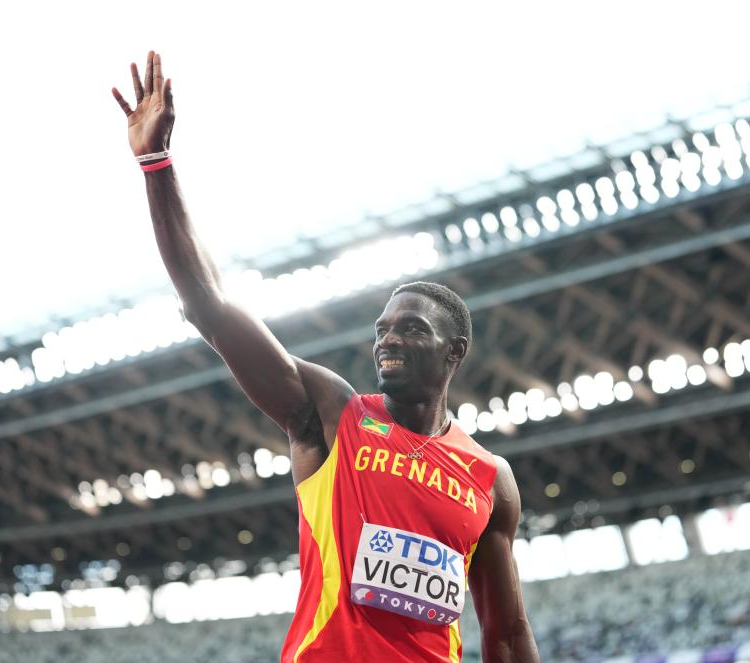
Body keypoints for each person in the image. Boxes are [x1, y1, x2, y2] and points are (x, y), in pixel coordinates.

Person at [112, 51, 539, 663]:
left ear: (455, 352)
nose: (388, 340)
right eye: (382, 329)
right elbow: (209, 305)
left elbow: (507, 634)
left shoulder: (490, 479)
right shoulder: (333, 413)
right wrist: (156, 164)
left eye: (410, 329)